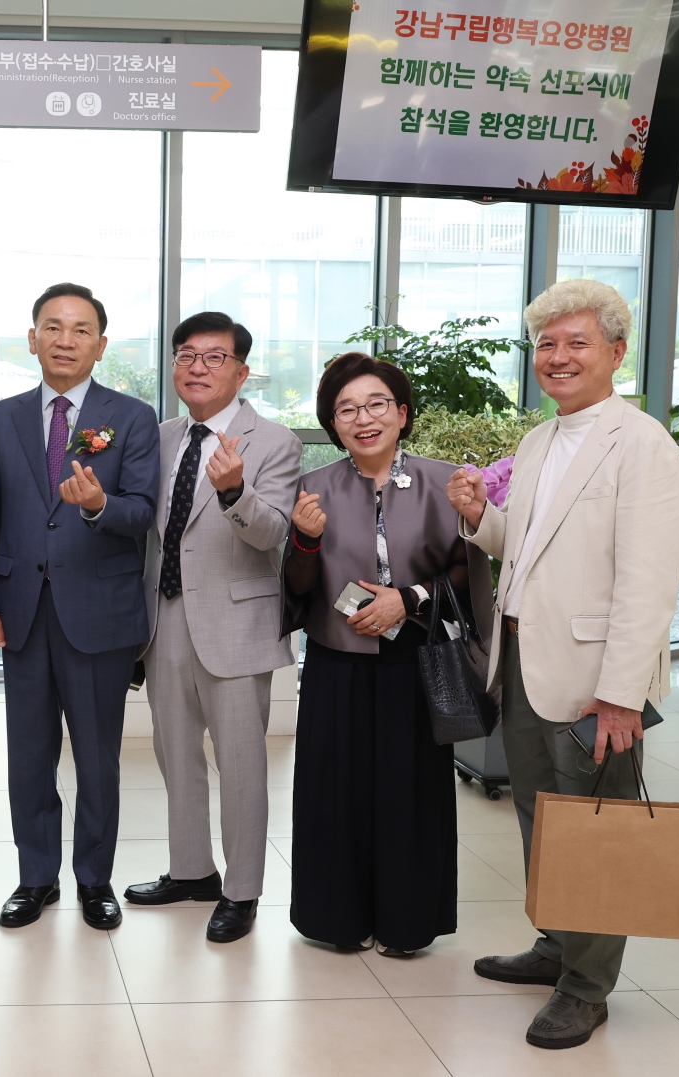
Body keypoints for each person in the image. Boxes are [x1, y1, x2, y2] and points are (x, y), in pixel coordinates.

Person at [446, 279, 679, 1050]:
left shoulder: (642, 442)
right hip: (523, 658)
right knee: (542, 815)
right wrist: (483, 518)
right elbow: (526, 546)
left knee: (595, 826)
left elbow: (649, 581)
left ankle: (587, 986)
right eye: (547, 344)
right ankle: (555, 943)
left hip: (592, 679)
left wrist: (620, 696)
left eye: (577, 342)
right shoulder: (542, 439)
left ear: (617, 352)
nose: (558, 357)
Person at [282, 352, 491, 959]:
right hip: (335, 661)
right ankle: (336, 917)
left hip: (414, 661)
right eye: (346, 409)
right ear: (333, 424)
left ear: (401, 413)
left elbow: (465, 567)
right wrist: (304, 539)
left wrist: (409, 598)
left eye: (376, 405)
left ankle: (406, 921)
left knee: (410, 793)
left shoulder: (443, 481)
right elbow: (298, 586)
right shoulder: (315, 487)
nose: (362, 418)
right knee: (333, 791)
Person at [0, 282, 161, 931]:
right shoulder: (0, 419)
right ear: (32, 338)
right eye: (52, 326)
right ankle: (35, 876)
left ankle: (93, 877)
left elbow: (141, 511)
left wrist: (96, 505)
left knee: (97, 756)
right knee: (27, 754)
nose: (65, 339)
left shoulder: (132, 417)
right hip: (21, 609)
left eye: (80, 329)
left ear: (101, 345)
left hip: (99, 612)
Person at [123, 312, 302, 944]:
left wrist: (234, 494)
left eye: (214, 357)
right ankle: (191, 869)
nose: (197, 367)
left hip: (237, 622)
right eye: (186, 355)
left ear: (241, 370)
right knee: (174, 756)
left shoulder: (274, 441)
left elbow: (276, 533)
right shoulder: (161, 434)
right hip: (164, 617)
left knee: (242, 765)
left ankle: (243, 889)